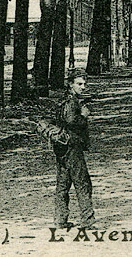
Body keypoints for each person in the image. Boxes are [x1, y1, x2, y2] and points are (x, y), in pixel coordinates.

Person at [54, 69, 94, 229]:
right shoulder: (72, 102)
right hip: (72, 147)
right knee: (83, 183)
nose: (83, 87)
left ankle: (60, 219)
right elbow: (72, 120)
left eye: (84, 84)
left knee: (63, 184)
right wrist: (83, 115)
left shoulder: (63, 100)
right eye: (79, 84)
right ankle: (87, 220)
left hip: (61, 146)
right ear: (70, 84)